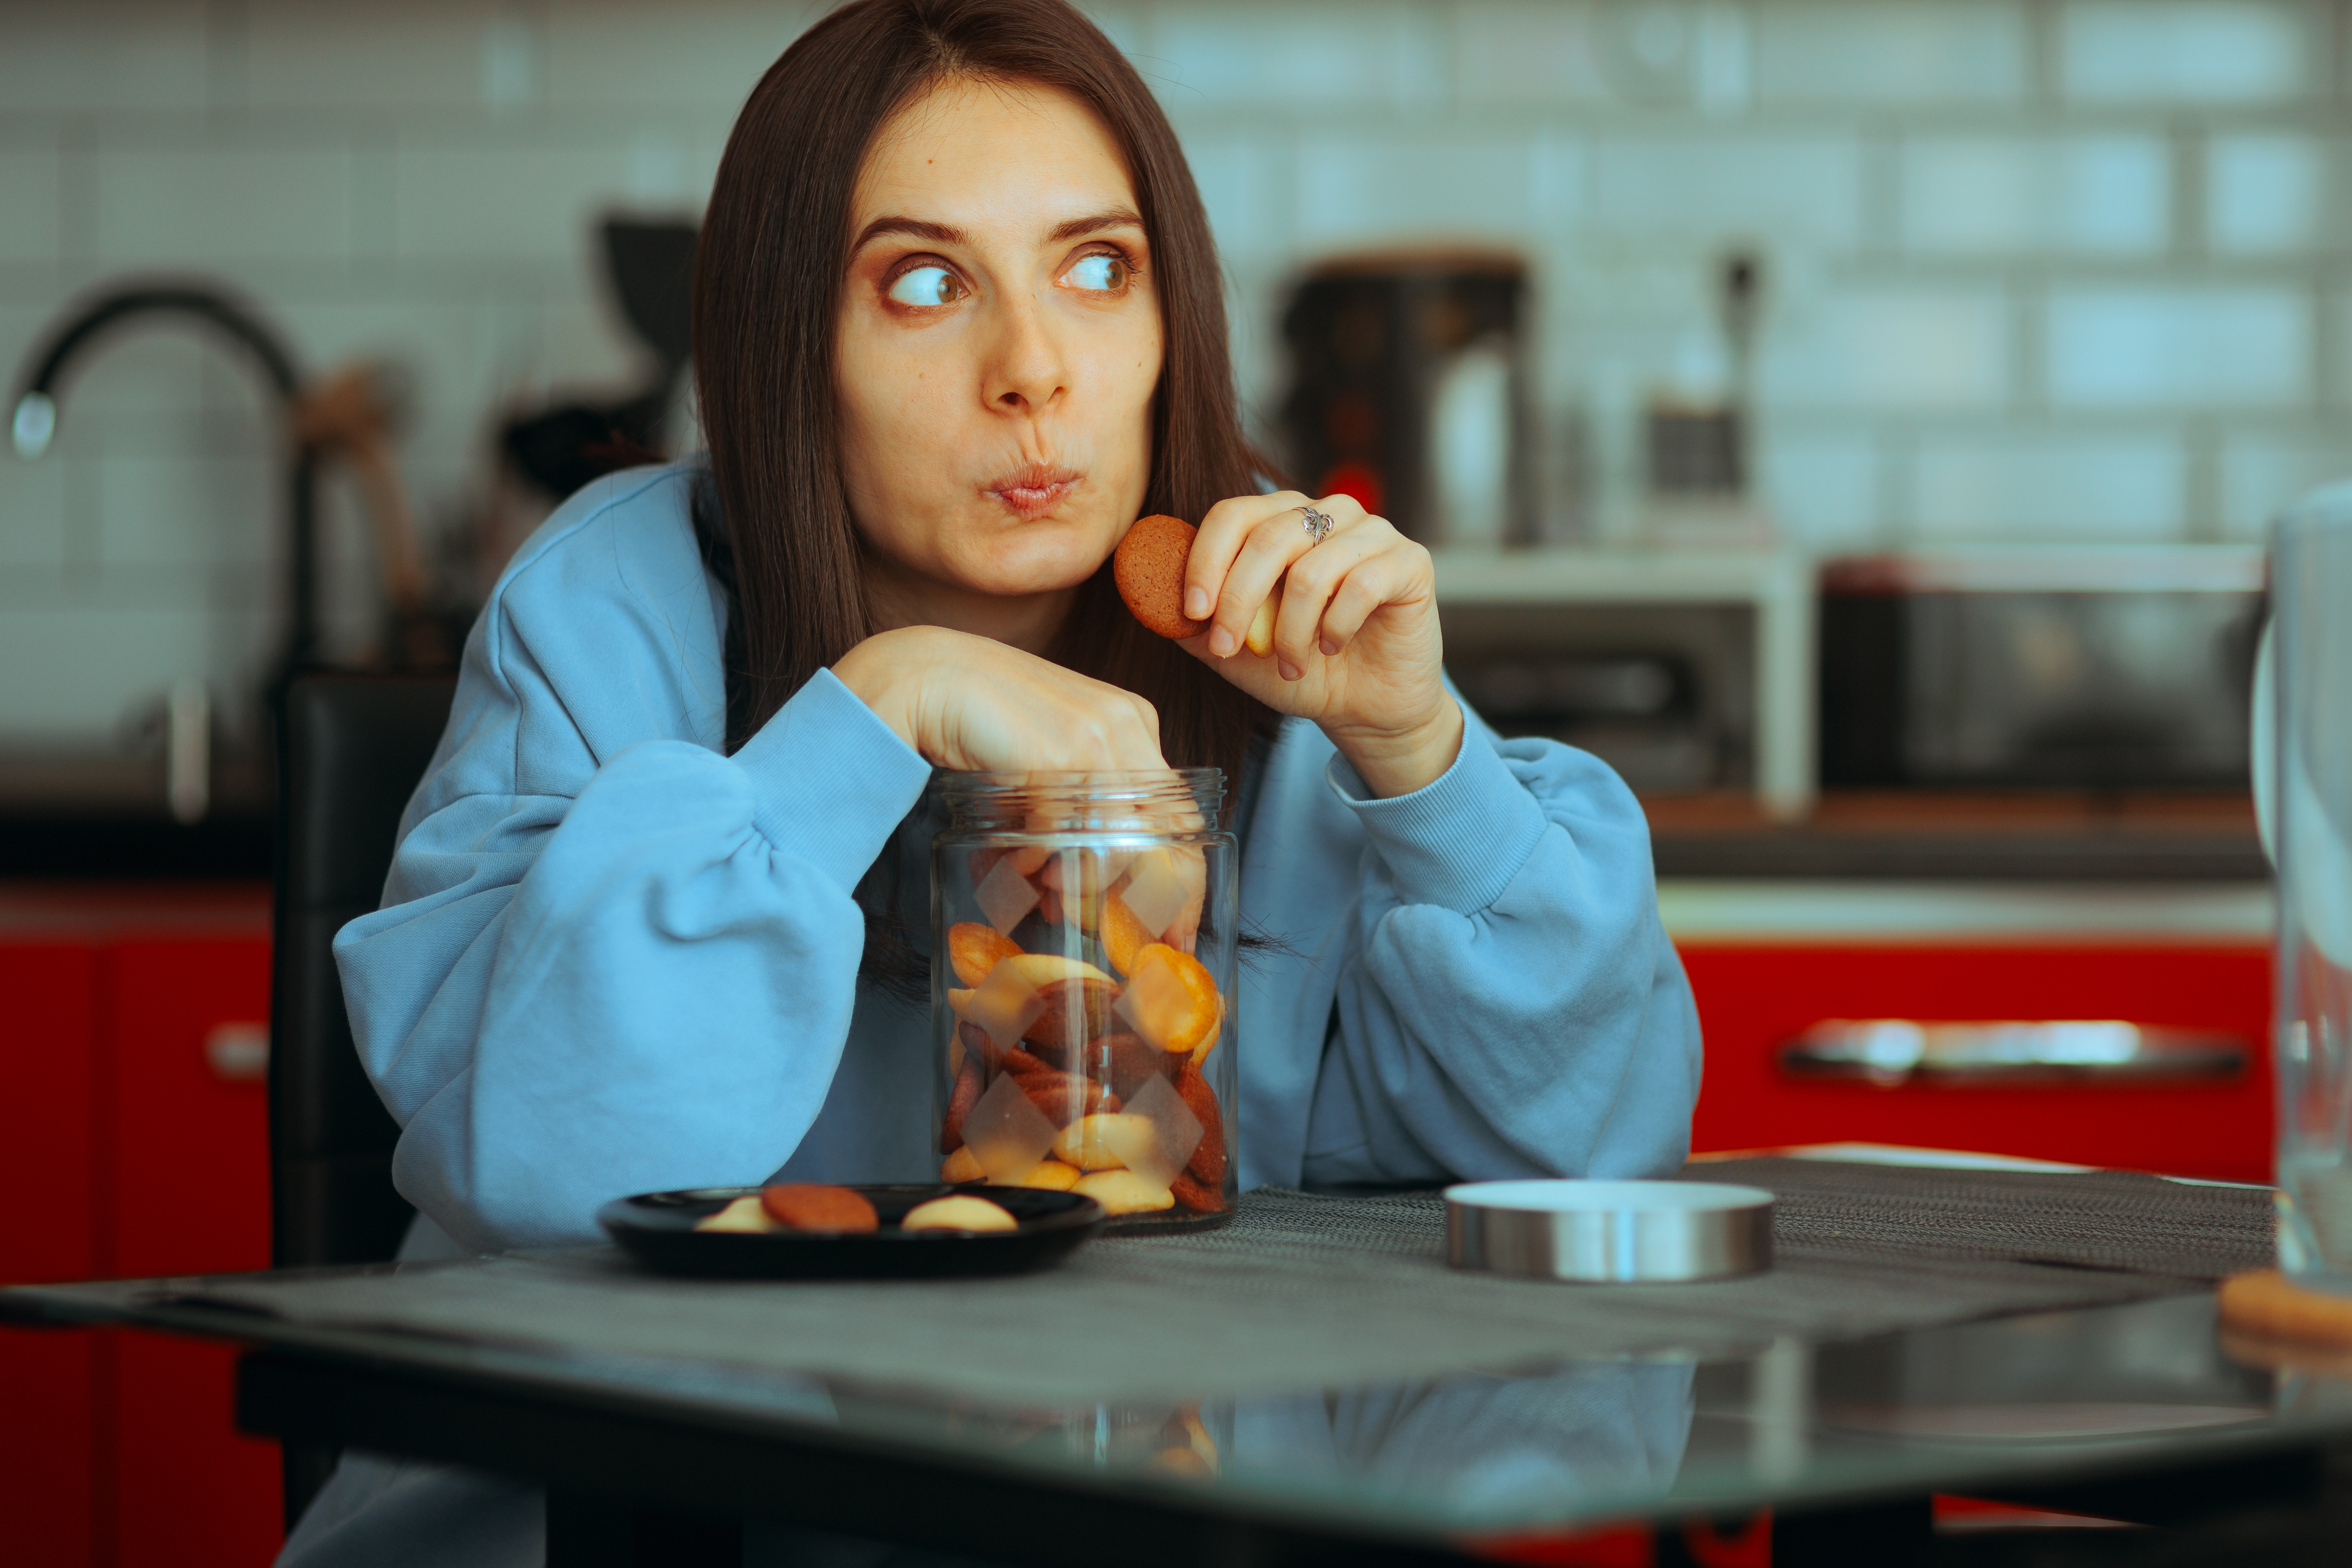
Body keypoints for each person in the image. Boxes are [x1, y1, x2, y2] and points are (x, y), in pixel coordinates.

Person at [279, 0, 1700, 1561]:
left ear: (1174, 326)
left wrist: (1420, 754)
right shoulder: (610, 609)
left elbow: (1592, 1164)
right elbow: (564, 1169)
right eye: (926, 284)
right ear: (785, 344)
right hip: (613, 1523)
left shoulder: (1281, 650)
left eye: (1099, 270)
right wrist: (882, 705)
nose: (1035, 370)